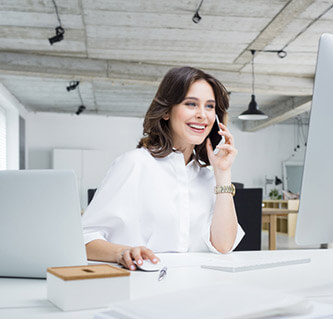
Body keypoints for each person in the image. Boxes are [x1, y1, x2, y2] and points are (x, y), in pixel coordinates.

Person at [81, 66, 244, 270]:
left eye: (210, 107)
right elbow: (83, 238)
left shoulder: (208, 177)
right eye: (191, 104)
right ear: (167, 111)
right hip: (141, 287)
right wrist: (122, 253)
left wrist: (223, 174)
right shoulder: (134, 164)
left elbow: (223, 246)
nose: (202, 114)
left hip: (195, 289)